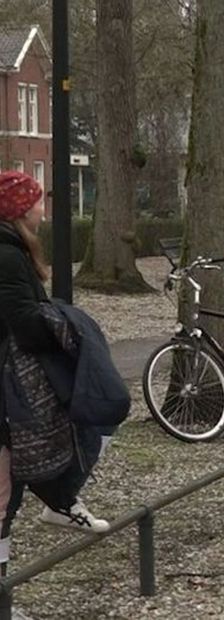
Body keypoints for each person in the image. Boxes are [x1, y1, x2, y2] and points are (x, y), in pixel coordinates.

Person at [0, 171, 111, 563]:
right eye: (37, 202)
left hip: (14, 384)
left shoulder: (13, 250)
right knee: (3, 496)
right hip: (11, 385)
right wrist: (65, 329)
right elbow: (24, 323)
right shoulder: (8, 256)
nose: (43, 210)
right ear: (20, 210)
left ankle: (60, 500)